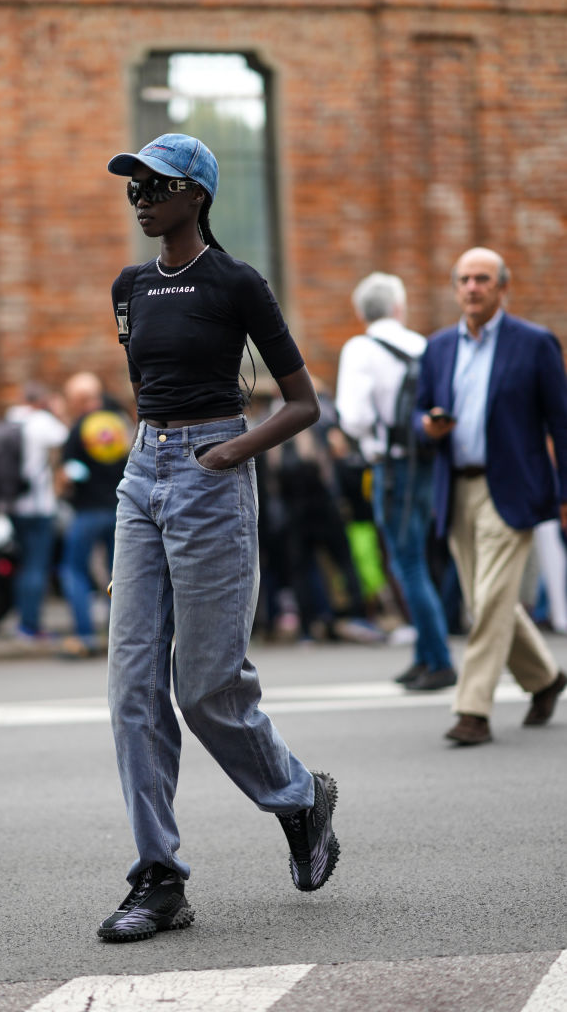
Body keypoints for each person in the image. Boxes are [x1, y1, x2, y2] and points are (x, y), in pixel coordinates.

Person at [98, 133, 339, 943]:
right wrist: (152, 478)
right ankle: (157, 876)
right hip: (142, 476)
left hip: (211, 474)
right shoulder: (128, 287)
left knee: (206, 689)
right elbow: (149, 394)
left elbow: (302, 404)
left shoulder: (235, 281)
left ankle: (299, 796)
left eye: (154, 184)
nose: (139, 197)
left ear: (194, 194)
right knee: (132, 687)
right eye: (132, 185)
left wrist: (228, 453)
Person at [416, 247, 567, 745]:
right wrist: (429, 427)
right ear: (455, 288)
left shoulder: (535, 344)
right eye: (464, 279)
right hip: (456, 487)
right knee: (489, 602)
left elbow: (561, 424)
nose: (472, 288)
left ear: (502, 287)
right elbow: (418, 416)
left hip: (513, 488)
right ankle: (545, 679)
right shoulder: (437, 348)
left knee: (487, 601)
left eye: (482, 279)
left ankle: (473, 711)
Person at [336, 273, 456, 689]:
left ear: (360, 311)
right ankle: (425, 655)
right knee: (417, 556)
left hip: (391, 465)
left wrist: (368, 435)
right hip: (426, 460)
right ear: (398, 308)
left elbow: (353, 415)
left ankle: (439, 659)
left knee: (406, 561)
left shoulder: (361, 348)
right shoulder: (422, 344)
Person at [58, 373, 131, 658]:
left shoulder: (79, 428)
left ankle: (85, 635)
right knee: (120, 575)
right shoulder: (120, 422)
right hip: (120, 508)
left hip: (87, 510)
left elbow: (67, 474)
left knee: (73, 570)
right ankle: (119, 637)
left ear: (78, 399)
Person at [5, 382, 69, 640]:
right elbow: (67, 436)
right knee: (36, 567)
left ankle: (22, 619)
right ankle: (30, 625)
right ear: (42, 400)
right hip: (38, 505)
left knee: (23, 564)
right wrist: (56, 410)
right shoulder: (43, 422)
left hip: (13, 504)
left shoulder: (12, 417)